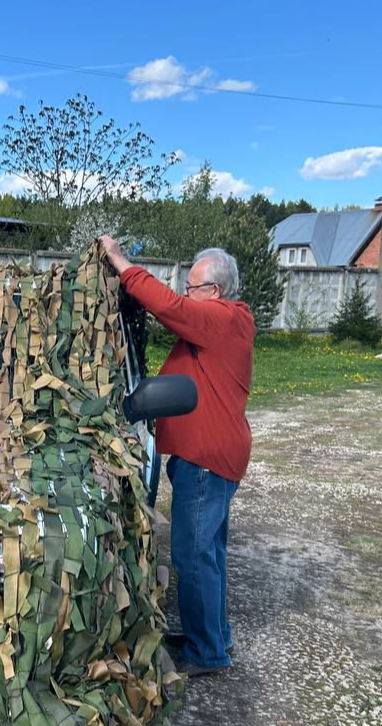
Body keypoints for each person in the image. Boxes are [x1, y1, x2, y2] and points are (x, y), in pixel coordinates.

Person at [99, 236, 255, 676]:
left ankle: (208, 653)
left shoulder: (220, 318)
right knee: (210, 554)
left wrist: (120, 262)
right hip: (212, 455)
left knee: (191, 554)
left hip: (205, 458)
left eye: (192, 286)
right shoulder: (226, 320)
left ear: (215, 292)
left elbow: (169, 307)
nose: (186, 293)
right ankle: (212, 635)